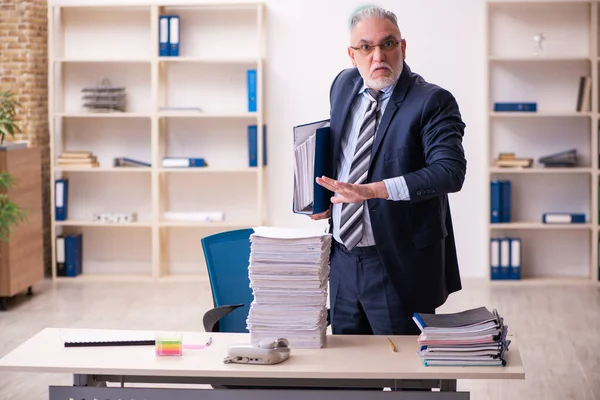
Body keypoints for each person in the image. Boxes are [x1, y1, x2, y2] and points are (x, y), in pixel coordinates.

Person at [312, 6, 467, 336]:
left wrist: (372, 190)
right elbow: (343, 152)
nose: (377, 55)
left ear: (403, 47)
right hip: (342, 259)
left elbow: (449, 172)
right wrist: (319, 197)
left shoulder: (432, 102)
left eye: (388, 44)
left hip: (399, 264)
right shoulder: (343, 85)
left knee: (405, 381)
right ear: (352, 55)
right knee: (348, 378)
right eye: (366, 47)